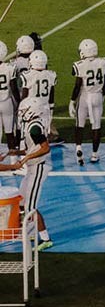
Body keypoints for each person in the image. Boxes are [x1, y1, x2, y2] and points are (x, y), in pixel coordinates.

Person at [0, 101, 53, 249]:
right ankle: (29, 231)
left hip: (38, 168)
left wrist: (26, 158)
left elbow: (45, 148)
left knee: (30, 207)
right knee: (22, 202)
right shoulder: (33, 125)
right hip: (32, 168)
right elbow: (33, 148)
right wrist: (16, 152)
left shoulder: (34, 128)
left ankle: (45, 239)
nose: (21, 114)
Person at [69, 38, 105, 166]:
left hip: (84, 96)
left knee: (79, 124)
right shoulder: (103, 62)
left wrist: (71, 101)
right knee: (96, 126)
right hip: (97, 95)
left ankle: (79, 147)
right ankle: (94, 154)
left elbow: (77, 86)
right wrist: (102, 95)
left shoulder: (79, 65)